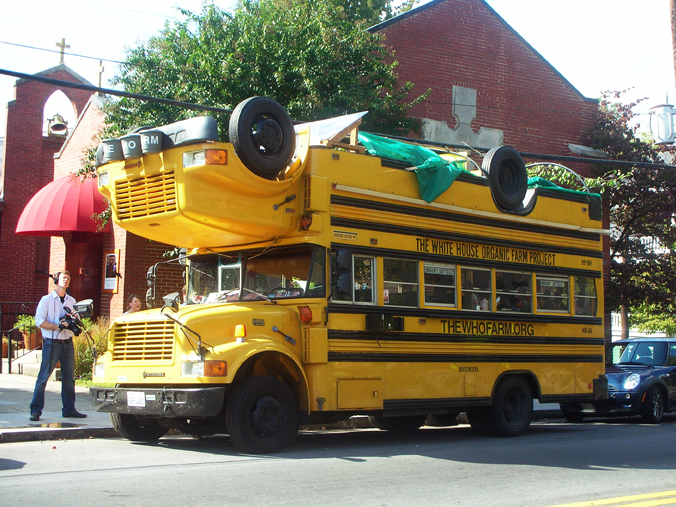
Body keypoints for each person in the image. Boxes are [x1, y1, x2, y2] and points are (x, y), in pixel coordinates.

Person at [29, 271, 87, 421]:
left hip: (68, 344)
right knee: (43, 377)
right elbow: (39, 321)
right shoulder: (46, 300)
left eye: (68, 278)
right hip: (52, 344)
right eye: (63, 278)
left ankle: (69, 409)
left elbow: (78, 320)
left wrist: (73, 320)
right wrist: (58, 326)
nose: (66, 280)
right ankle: (35, 410)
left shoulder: (71, 300)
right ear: (56, 280)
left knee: (69, 378)